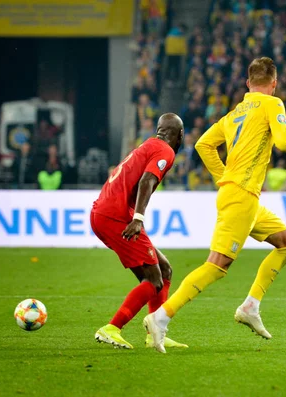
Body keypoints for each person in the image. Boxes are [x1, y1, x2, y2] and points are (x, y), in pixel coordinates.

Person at [144, 57, 286, 353]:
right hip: (241, 196)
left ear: (248, 83)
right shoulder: (272, 104)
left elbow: (202, 145)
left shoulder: (234, 113)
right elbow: (285, 143)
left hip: (244, 197)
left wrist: (224, 176)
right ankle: (161, 317)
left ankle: (251, 306)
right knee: (217, 266)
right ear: (273, 84)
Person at [91, 113, 187, 349]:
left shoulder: (147, 145)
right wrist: (138, 218)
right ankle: (111, 328)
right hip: (116, 216)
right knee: (154, 279)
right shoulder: (166, 151)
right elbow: (147, 180)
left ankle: (155, 334)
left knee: (163, 270)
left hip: (104, 213)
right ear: (180, 135)